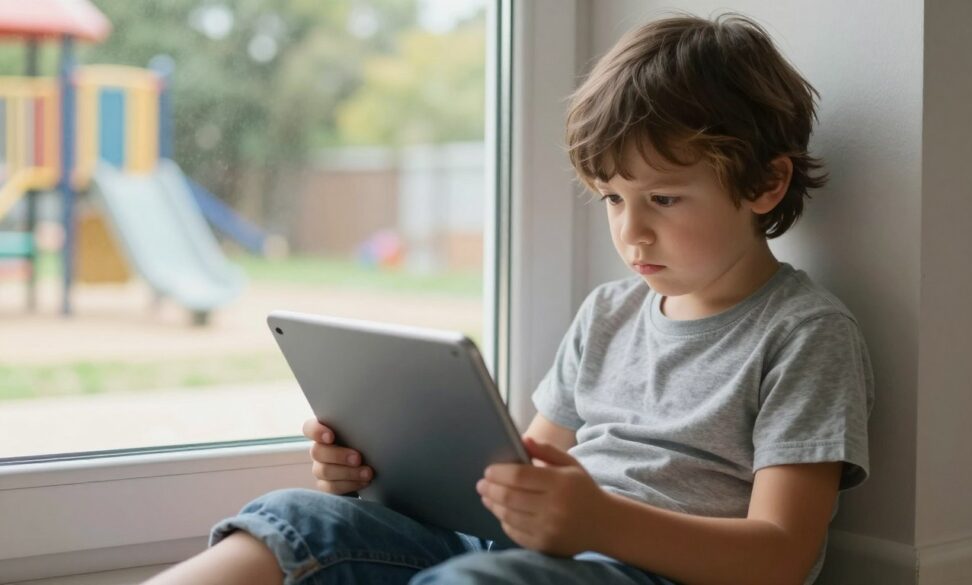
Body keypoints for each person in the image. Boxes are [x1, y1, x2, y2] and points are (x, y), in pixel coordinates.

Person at [145, 11, 873, 585]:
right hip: (536, 555)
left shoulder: (803, 332)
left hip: (646, 570)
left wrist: (600, 523)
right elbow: (518, 475)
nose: (631, 229)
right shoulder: (609, 315)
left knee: (482, 578)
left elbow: (780, 556)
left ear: (765, 185)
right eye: (612, 198)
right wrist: (377, 478)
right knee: (299, 519)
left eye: (663, 197)